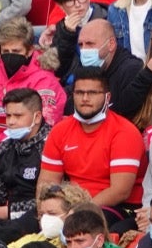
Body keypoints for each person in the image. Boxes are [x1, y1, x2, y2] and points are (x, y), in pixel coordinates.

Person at [38, 69, 144, 216]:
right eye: (79, 93)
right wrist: (45, 212)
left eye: (92, 93)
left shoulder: (125, 132)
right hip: (69, 204)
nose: (85, 98)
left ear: (107, 97)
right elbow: (47, 182)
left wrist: (77, 212)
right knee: (17, 229)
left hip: (115, 207)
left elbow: (120, 191)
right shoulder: (60, 130)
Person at [0, 87, 51, 237]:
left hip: (43, 218)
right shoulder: (3, 147)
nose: (11, 122)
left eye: (18, 116)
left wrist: (10, 211)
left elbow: (53, 199)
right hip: (7, 218)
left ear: (37, 117)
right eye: (8, 116)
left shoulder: (51, 145)